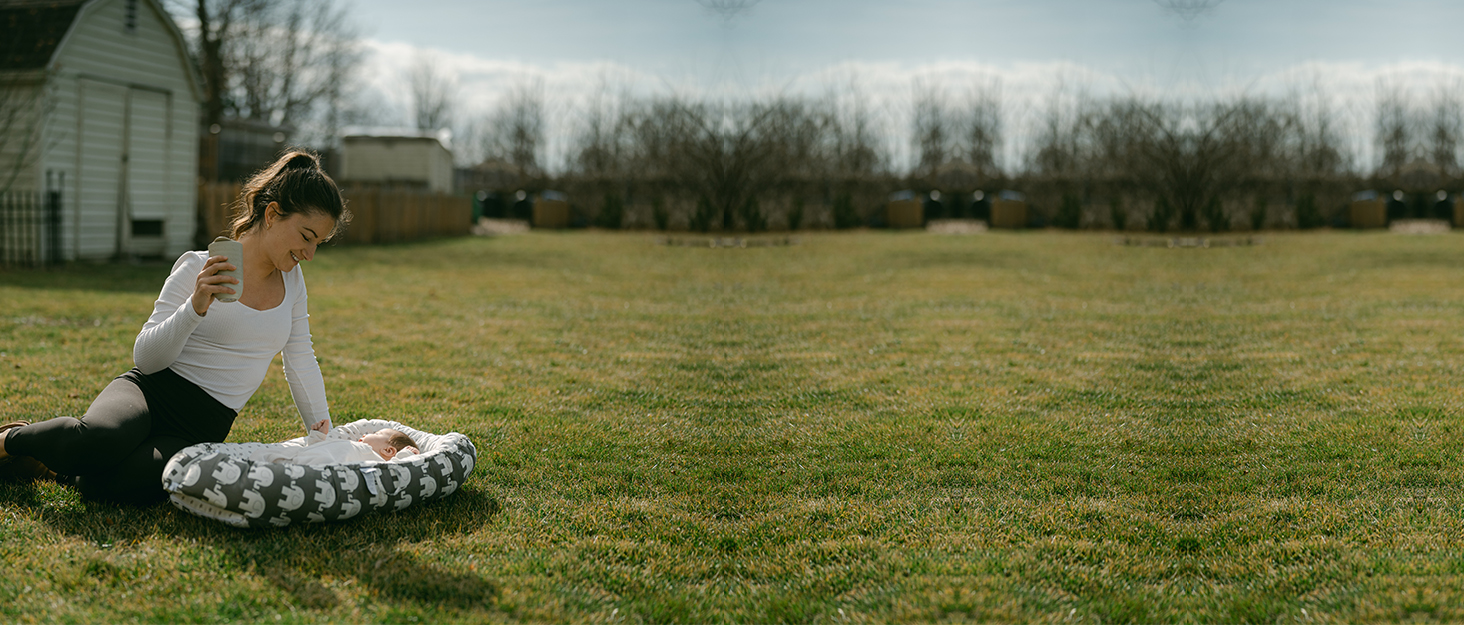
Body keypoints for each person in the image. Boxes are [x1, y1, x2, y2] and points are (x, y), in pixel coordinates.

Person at [0, 150, 350, 504]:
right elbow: (147, 358)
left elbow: (301, 358)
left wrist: (326, 438)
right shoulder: (197, 266)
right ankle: (9, 440)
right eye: (306, 237)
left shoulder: (293, 284)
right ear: (273, 214)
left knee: (107, 488)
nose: (310, 253)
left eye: (318, 243)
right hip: (149, 393)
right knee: (100, 439)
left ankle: (50, 466)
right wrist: (195, 306)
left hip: (200, 427)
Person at [248, 428, 421, 467]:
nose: (366, 433)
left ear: (388, 450)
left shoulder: (373, 461)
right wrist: (317, 438)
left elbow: (393, 470)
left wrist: (404, 456)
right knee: (263, 454)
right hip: (301, 457)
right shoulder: (358, 447)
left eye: (375, 432)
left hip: (321, 468)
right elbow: (320, 449)